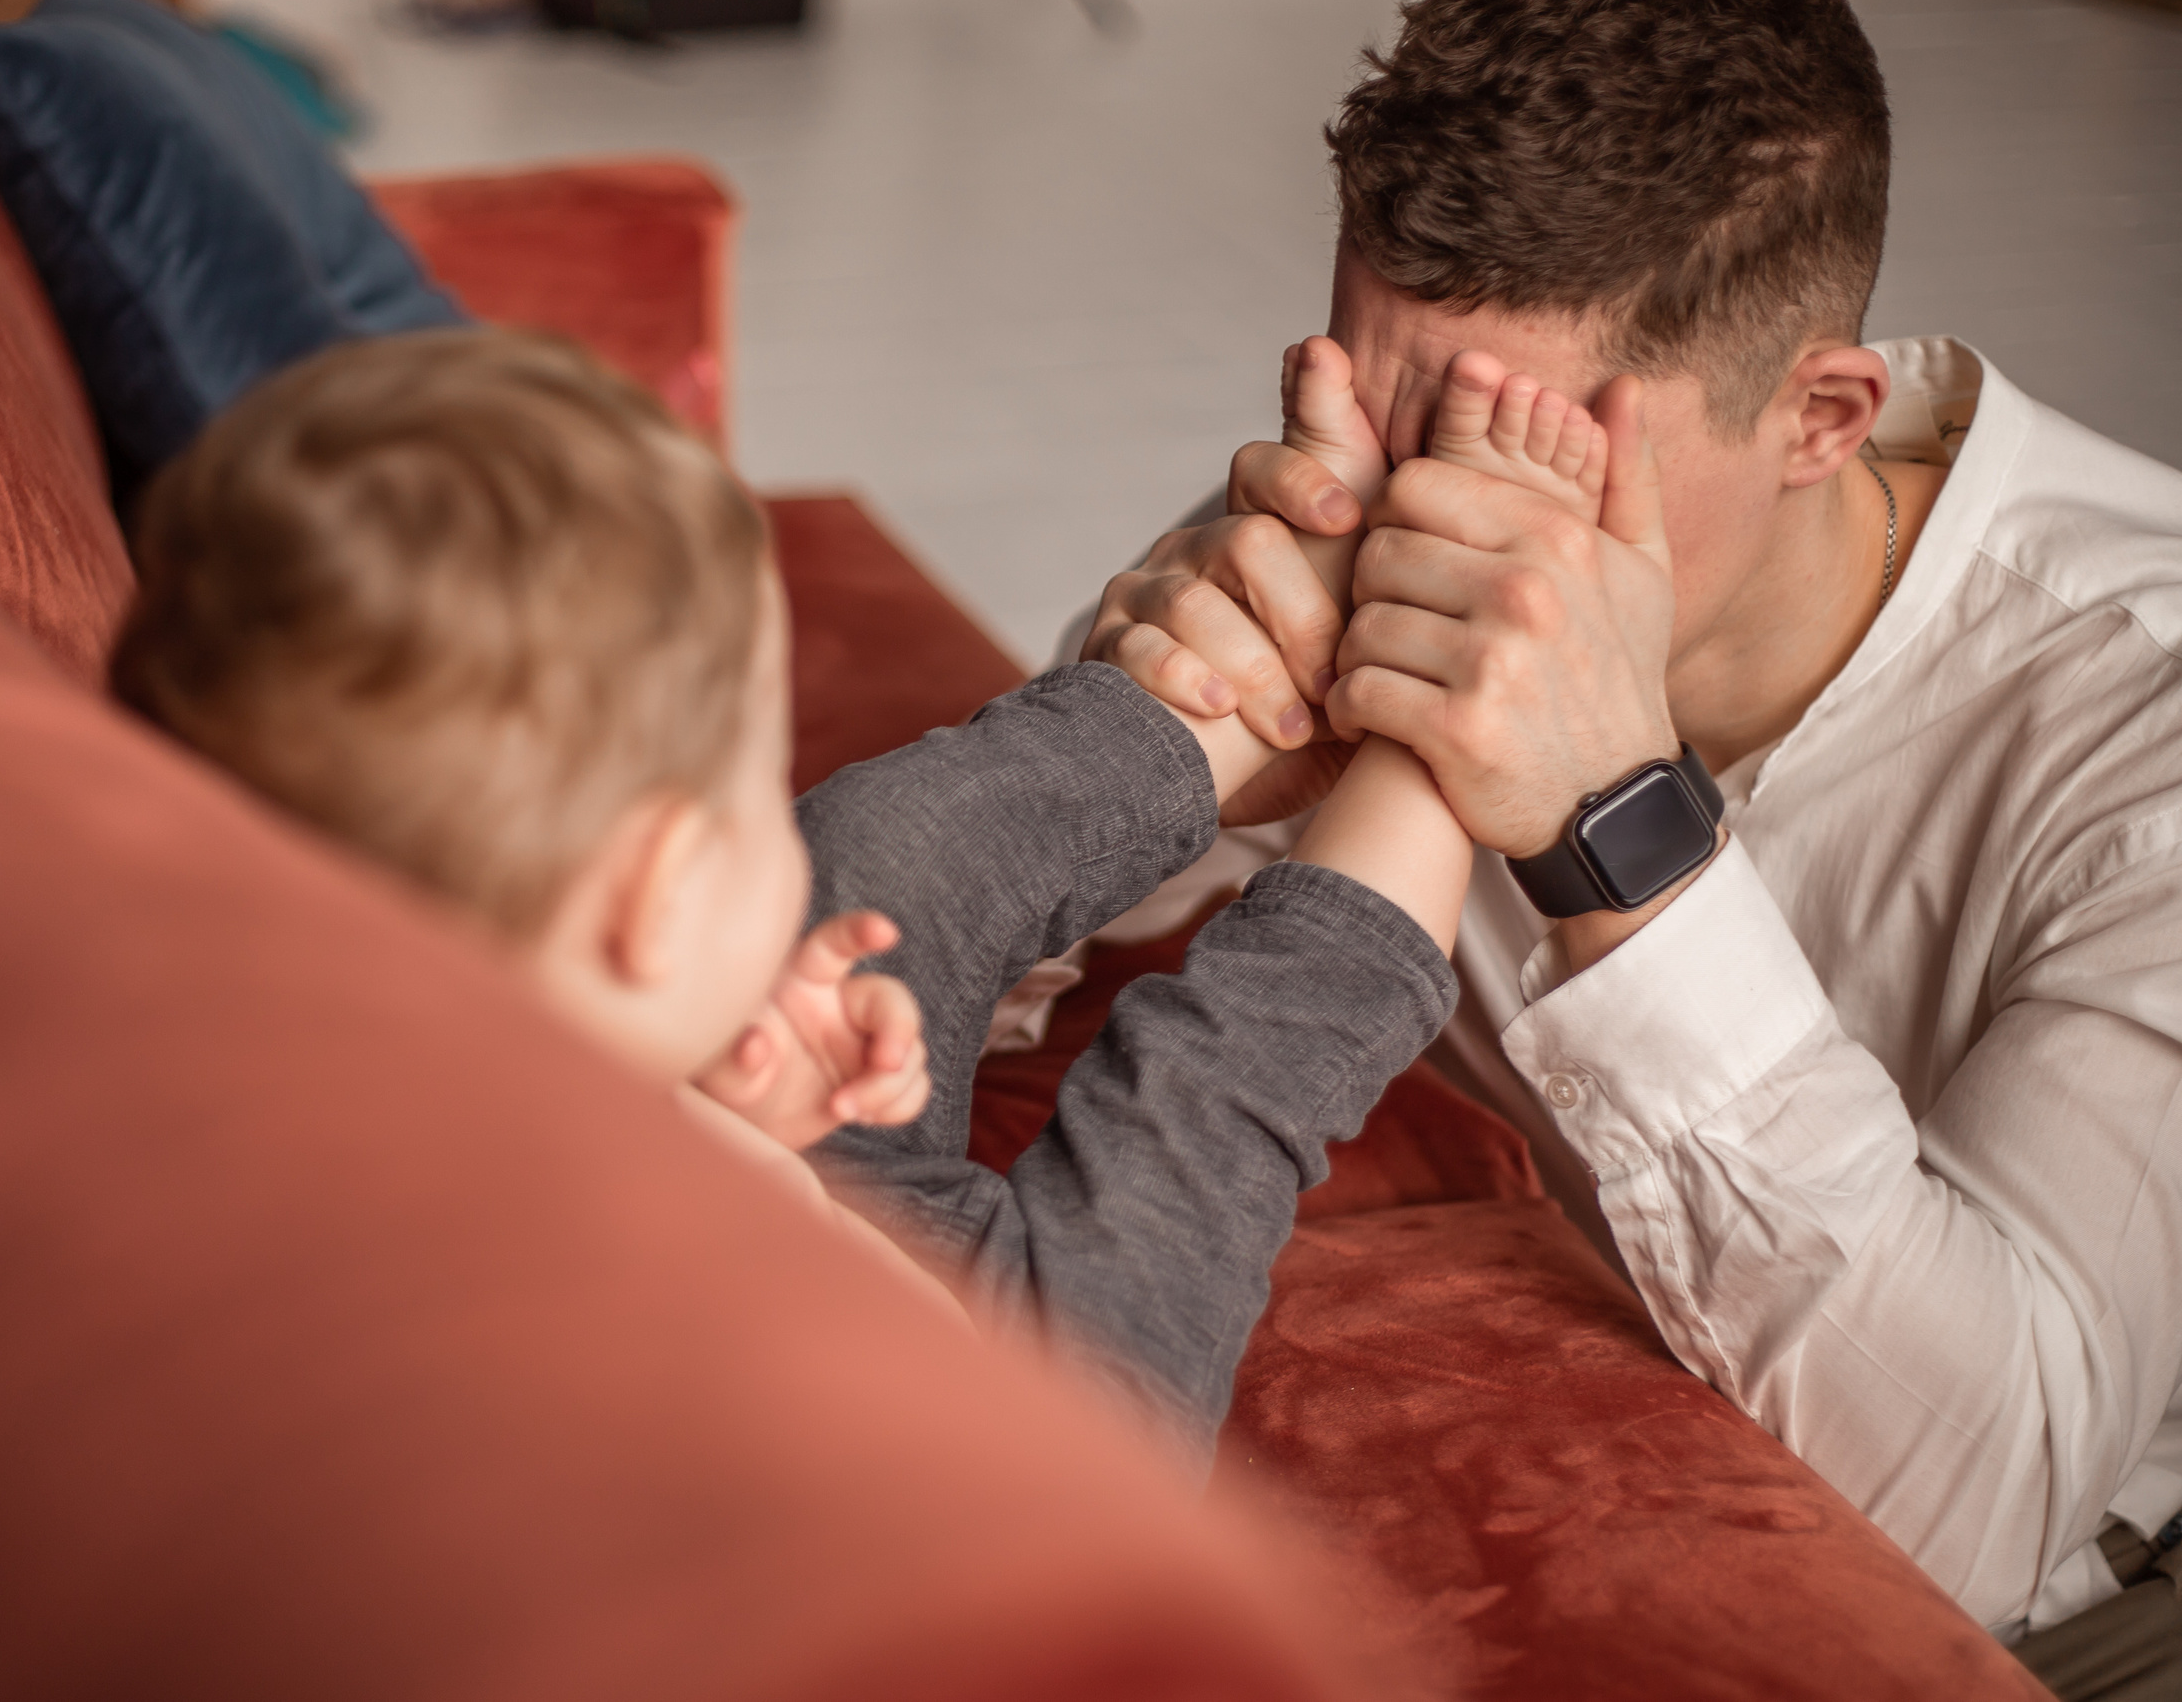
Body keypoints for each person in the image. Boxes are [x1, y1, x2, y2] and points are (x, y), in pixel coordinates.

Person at [1077, 0, 2182, 1679]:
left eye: (1523, 463)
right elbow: (911, 1002)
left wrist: (1622, 834)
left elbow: (1976, 1526)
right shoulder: (1382, 488)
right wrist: (1116, 764)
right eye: (1375, 412)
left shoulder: (2147, 728)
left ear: (1822, 421)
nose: (1411, 514)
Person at [105, 326, 1522, 1456]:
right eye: (746, 800)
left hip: (714, 1193)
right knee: (1199, 1111)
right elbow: (1000, 1418)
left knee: (869, 871)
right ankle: (1445, 708)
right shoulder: (603, 1289)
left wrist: (753, 1114)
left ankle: (1272, 666)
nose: (773, 822)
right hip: (997, 1451)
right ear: (658, 901)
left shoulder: (340, 1056)